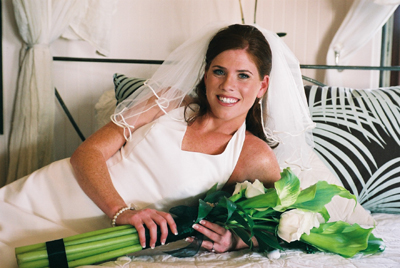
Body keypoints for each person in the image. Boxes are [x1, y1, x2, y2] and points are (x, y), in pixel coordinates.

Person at [0, 22, 315, 267]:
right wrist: (121, 211)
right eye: (219, 71)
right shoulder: (169, 101)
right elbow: (88, 152)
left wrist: (238, 240)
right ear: (205, 74)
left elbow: (281, 224)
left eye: (243, 75)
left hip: (89, 239)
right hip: (46, 194)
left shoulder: (253, 155)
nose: (227, 85)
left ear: (263, 85)